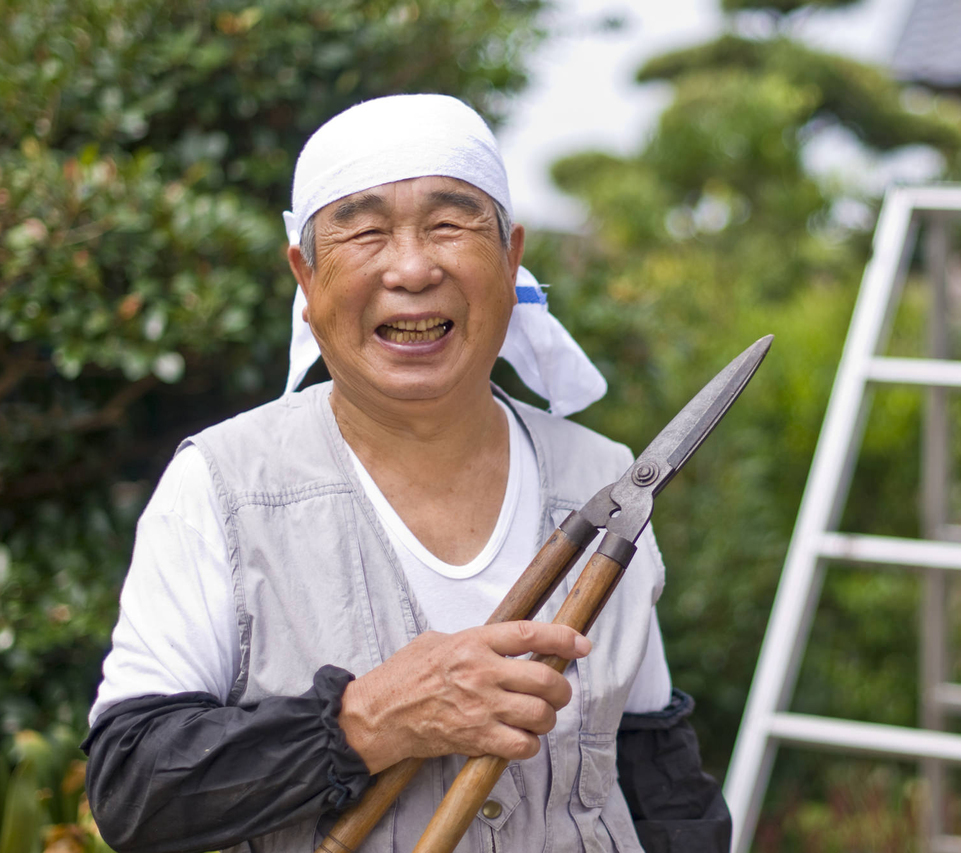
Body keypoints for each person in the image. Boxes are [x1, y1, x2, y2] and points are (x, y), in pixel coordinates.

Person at [83, 94, 731, 853]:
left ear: (511, 254)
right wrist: (368, 720)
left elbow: (660, 783)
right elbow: (134, 791)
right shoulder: (223, 487)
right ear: (304, 273)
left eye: (450, 224)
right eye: (363, 231)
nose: (414, 267)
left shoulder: (603, 478)